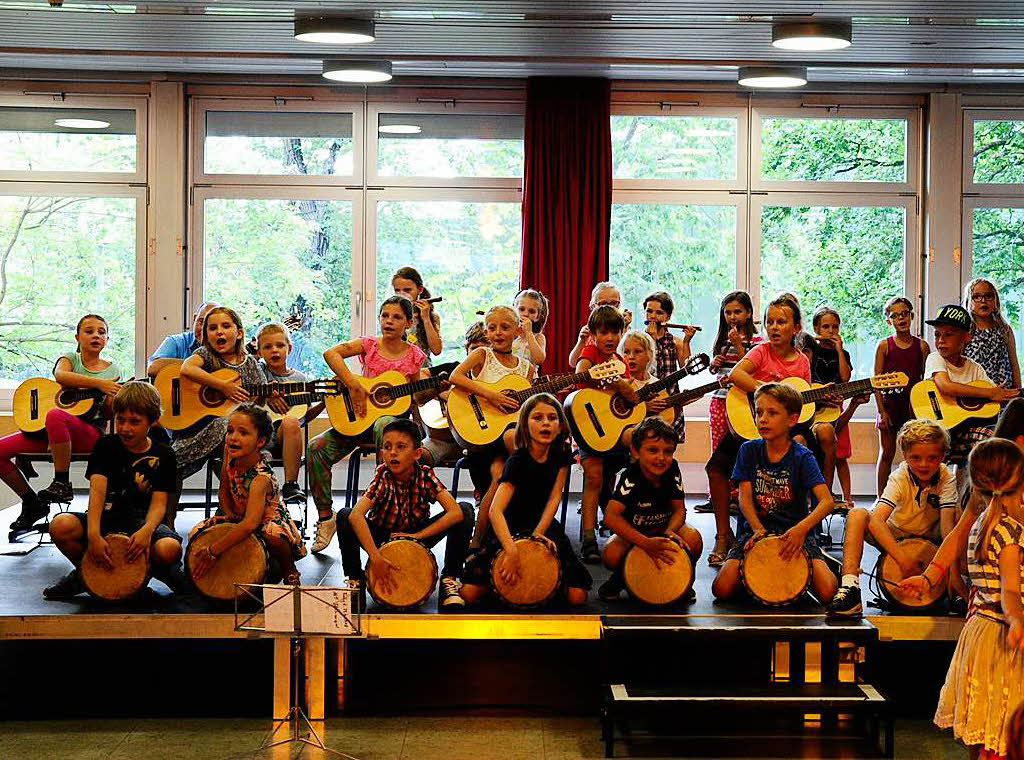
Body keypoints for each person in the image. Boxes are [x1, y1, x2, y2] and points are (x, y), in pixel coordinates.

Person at [307, 295, 429, 553]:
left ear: (408, 323)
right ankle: (326, 517)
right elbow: (331, 353)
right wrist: (353, 385)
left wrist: (430, 390)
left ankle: (379, 505)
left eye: (397, 317)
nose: (389, 321)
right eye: (385, 316)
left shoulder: (414, 355)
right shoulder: (369, 345)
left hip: (389, 429)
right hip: (358, 418)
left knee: (384, 423)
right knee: (316, 447)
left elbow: (416, 396)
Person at [43, 382, 183, 599]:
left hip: (141, 521)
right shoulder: (105, 446)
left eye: (135, 422)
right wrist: (94, 535)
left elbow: (159, 503)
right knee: (60, 526)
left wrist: (146, 532)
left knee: (169, 549)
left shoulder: (165, 454)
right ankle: (85, 574)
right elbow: (97, 494)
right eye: (120, 420)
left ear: (152, 421)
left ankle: (143, 577)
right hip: (108, 517)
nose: (126, 428)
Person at [705, 295, 813, 566]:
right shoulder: (760, 351)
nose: (774, 327)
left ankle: (796, 529)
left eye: (782, 322)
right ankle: (722, 535)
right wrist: (767, 392)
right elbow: (737, 374)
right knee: (715, 468)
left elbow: (802, 404)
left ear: (796, 327)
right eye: (770, 322)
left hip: (785, 432)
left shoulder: (802, 362)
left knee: (803, 449)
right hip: (750, 427)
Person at [933, 438, 1024, 760]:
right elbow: (1011, 591)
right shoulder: (1009, 532)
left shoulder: (982, 525)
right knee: (1003, 728)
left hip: (980, 633)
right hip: (1002, 634)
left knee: (983, 731)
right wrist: (1017, 620)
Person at [711, 383, 838, 604]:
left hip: (795, 535)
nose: (762, 419)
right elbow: (744, 498)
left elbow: (826, 502)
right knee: (721, 589)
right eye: (758, 412)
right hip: (755, 532)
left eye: (772, 413)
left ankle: (820, 565)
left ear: (791, 420)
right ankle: (755, 578)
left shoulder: (802, 456)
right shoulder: (748, 450)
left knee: (828, 591)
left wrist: (801, 530)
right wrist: (757, 528)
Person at [461, 394, 592, 606]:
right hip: (509, 526)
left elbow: (553, 498)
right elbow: (495, 511)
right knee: (469, 594)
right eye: (538, 418)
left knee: (578, 597)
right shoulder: (517, 461)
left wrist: (539, 532)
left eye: (552, 417)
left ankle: (542, 584)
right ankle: (500, 586)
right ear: (525, 425)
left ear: (560, 426)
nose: (546, 423)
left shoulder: (561, 455)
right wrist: (511, 549)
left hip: (542, 524)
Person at [336, 418, 473, 610]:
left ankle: (449, 581)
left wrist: (417, 536)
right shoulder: (383, 475)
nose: (392, 452)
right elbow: (356, 516)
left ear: (417, 453)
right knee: (344, 515)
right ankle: (355, 582)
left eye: (401, 447)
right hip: (384, 535)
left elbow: (455, 513)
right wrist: (375, 557)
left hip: (417, 534)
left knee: (466, 510)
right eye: (387, 447)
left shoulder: (425, 475)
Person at [826, 419, 959, 618]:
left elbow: (948, 528)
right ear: (905, 456)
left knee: (962, 517)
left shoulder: (947, 477)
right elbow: (877, 520)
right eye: (915, 458)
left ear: (943, 455)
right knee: (857, 514)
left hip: (930, 538)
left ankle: (958, 588)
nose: (924, 464)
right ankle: (850, 587)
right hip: (894, 535)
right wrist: (903, 560)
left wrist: (947, 569)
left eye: (932, 458)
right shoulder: (900, 476)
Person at [4, 315, 123, 533]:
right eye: (89, 331)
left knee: (55, 415)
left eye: (102, 332)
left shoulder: (113, 371)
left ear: (106, 339)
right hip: (52, 433)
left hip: (89, 435)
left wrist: (113, 398)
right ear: (77, 337)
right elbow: (61, 376)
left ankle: (61, 483)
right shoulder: (70, 359)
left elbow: (106, 415)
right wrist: (99, 384)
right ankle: (32, 503)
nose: (96, 335)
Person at [188, 404, 306, 586]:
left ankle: (289, 569)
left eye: (243, 433)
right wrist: (227, 516)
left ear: (260, 441)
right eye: (230, 431)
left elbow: (251, 523)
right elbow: (224, 490)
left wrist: (213, 550)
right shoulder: (229, 453)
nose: (233, 438)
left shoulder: (260, 478)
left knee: (273, 535)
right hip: (238, 513)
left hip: (264, 519)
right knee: (196, 532)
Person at [449, 306, 535, 550]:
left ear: (517, 332)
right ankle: (486, 538)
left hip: (507, 439)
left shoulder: (526, 368)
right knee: (512, 447)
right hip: (483, 438)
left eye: (505, 327)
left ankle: (481, 541)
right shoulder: (482, 355)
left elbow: (522, 409)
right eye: (492, 327)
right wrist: (492, 395)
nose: (497, 332)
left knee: (501, 478)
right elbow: (456, 376)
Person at [170, 306, 264, 530]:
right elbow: (186, 369)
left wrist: (270, 396)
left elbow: (258, 402)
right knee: (169, 463)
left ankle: (229, 514)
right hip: (194, 427)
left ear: (239, 333)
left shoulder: (249, 363)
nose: (219, 332)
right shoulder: (204, 355)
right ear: (205, 335)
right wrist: (222, 386)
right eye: (212, 328)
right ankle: (167, 522)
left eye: (225, 326)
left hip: (228, 439)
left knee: (230, 428)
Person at [597, 416, 703, 602]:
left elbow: (680, 510)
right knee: (610, 554)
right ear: (636, 452)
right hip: (636, 533)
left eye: (668, 452)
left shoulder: (672, 469)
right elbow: (611, 517)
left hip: (663, 529)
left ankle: (685, 581)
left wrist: (670, 531)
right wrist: (644, 542)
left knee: (693, 538)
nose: (661, 458)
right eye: (653, 450)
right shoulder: (631, 477)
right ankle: (620, 578)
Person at [575, 305, 637, 564]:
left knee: (638, 452)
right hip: (588, 428)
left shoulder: (621, 363)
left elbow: (630, 398)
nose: (609, 338)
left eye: (614, 332)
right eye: (603, 333)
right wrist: (613, 382)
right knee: (593, 477)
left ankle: (631, 520)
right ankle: (588, 537)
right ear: (594, 335)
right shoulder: (590, 352)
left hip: (612, 432)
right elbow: (580, 372)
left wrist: (623, 387)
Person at [922, 304, 1017, 472]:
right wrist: (990, 393)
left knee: (995, 441)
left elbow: (994, 399)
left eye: (948, 334)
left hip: (965, 431)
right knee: (987, 440)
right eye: (937, 335)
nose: (940, 340)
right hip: (938, 431)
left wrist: (999, 395)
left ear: (966, 337)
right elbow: (946, 387)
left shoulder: (975, 368)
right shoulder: (935, 358)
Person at [874, 296, 929, 497]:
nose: (901, 318)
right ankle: (881, 498)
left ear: (912, 316)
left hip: (913, 409)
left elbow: (926, 381)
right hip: (888, 407)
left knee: (914, 453)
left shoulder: (922, 346)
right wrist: (882, 411)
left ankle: (914, 496)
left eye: (904, 313)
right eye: (895, 316)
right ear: (889, 321)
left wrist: (922, 412)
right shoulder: (884, 346)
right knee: (887, 453)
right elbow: (876, 383)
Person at [256, 321, 315, 505]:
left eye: (280, 345)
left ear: (289, 348)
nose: (275, 350)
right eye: (268, 347)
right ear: (259, 352)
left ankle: (290, 485)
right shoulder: (258, 371)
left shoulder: (300, 379)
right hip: (257, 437)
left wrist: (325, 404)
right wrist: (266, 393)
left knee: (291, 421)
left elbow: (305, 415)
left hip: (283, 441)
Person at [804, 306, 851, 507]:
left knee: (839, 452)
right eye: (825, 327)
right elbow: (803, 377)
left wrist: (840, 350)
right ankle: (811, 493)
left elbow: (845, 377)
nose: (831, 331)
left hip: (834, 410)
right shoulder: (811, 349)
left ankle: (835, 494)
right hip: (812, 410)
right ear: (816, 328)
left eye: (835, 327)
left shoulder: (844, 353)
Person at [643, 290, 697, 442]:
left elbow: (687, 369)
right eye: (649, 311)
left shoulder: (675, 342)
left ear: (667, 317)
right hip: (648, 401)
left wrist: (686, 341)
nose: (653, 316)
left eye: (659, 313)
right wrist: (650, 340)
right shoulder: (640, 340)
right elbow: (644, 368)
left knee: (668, 444)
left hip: (670, 401)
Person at [963, 277, 1021, 390]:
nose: (983, 301)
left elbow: (1014, 364)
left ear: (996, 300)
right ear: (969, 301)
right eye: (977, 297)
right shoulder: (967, 330)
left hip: (1004, 391)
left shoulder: (1004, 329)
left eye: (988, 296)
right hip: (976, 392)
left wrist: (1018, 392)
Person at [146, 300, 219, 379]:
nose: (204, 329)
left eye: (212, 326)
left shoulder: (227, 347)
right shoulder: (176, 342)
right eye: (201, 322)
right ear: (195, 319)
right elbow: (152, 368)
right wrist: (196, 365)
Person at [568, 281, 633, 368]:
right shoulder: (588, 331)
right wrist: (581, 341)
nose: (609, 308)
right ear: (593, 306)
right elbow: (573, 363)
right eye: (603, 304)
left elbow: (628, 361)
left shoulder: (627, 329)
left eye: (614, 303)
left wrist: (624, 329)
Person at [392, 266, 442, 361]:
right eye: (397, 291)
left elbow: (436, 350)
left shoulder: (432, 316)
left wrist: (426, 318)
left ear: (420, 290)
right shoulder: (391, 316)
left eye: (407, 290)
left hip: (423, 371)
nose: (402, 295)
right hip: (397, 369)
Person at [512, 288, 549, 367]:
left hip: (529, 378)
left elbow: (539, 360)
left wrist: (529, 333)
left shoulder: (538, 337)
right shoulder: (510, 334)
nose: (525, 314)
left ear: (538, 317)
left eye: (532, 311)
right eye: (521, 309)